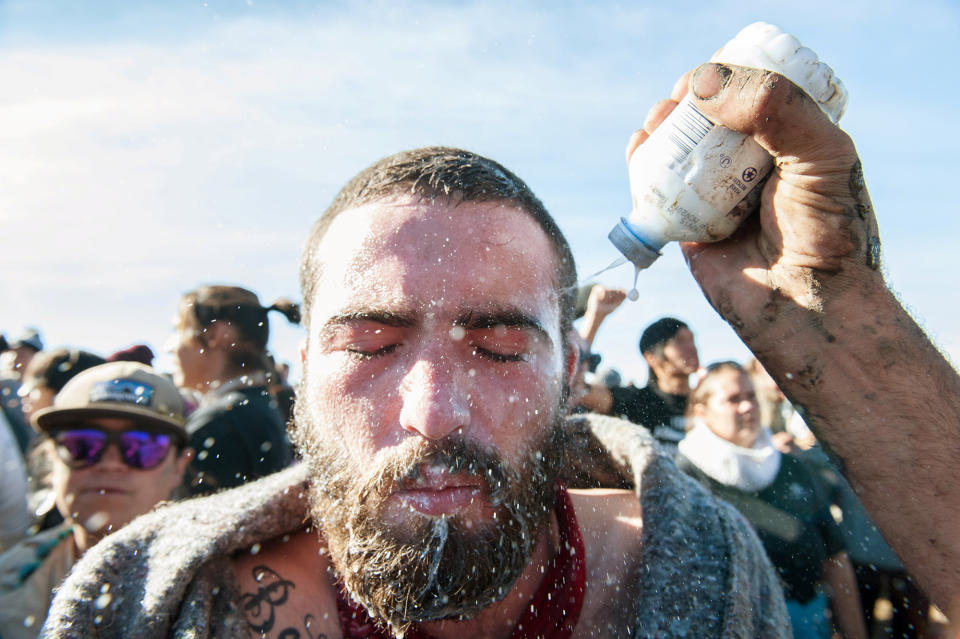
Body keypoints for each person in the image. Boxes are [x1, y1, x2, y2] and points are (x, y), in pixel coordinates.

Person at [42, 148, 789, 638]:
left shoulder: (709, 568)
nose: (432, 412)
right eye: (371, 346)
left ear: (570, 371)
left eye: (497, 348)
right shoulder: (154, 600)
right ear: (303, 374)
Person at [0, 361, 192, 639]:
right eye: (82, 444)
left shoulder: (222, 589)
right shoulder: (10, 578)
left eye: (141, 446)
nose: (110, 463)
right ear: (52, 458)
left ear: (179, 467)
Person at [676, 362, 866, 639]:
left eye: (750, 396)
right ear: (702, 411)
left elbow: (834, 557)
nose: (747, 406)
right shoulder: (684, 478)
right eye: (733, 399)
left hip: (809, 620)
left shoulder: (791, 466)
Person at [167, 285, 299, 494]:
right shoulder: (258, 405)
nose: (169, 347)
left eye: (178, 330)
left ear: (215, 335)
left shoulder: (218, 422)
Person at [580, 313, 700, 455]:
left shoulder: (713, 402)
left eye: (692, 340)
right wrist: (596, 315)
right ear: (651, 357)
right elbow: (576, 387)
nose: (692, 348)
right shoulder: (637, 402)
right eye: (679, 342)